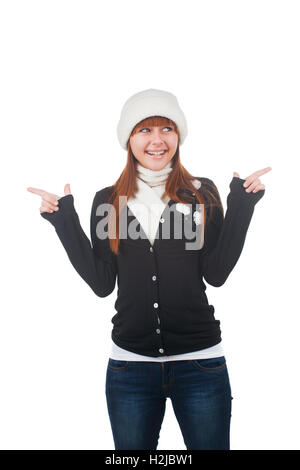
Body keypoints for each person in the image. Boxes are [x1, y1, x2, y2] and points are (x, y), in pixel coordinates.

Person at [27, 88, 271, 450]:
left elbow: (216, 273)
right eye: (144, 130)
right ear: (129, 138)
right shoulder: (108, 200)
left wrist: (242, 207)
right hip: (130, 370)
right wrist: (64, 222)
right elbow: (101, 282)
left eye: (166, 129)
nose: (157, 140)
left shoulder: (199, 194)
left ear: (178, 136)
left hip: (200, 366)